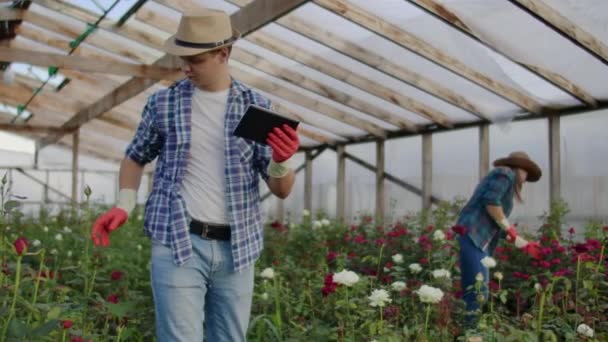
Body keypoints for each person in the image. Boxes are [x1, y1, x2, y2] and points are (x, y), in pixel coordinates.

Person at [90, 9, 299, 342]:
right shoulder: (163, 104)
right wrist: (123, 204)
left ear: (224, 53)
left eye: (196, 59)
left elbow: (282, 189)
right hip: (177, 241)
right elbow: (134, 157)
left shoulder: (256, 107)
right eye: (181, 58)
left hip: (238, 247)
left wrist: (282, 160)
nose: (186, 67)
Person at [455, 151, 542, 328]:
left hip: (477, 238)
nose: (525, 178)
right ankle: (470, 334)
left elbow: (495, 224)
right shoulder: (505, 173)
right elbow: (491, 202)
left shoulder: (504, 180)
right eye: (526, 172)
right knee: (479, 291)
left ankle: (466, 331)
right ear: (519, 168)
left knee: (476, 289)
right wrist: (511, 230)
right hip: (473, 235)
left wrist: (522, 242)